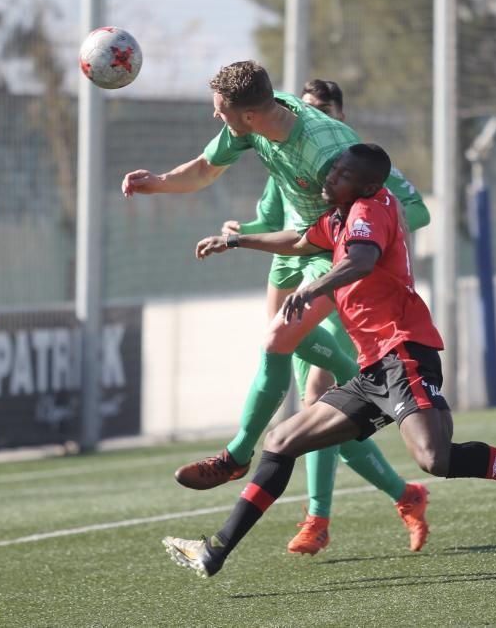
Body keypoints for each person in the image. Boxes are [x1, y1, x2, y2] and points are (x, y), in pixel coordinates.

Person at [162, 143, 496, 578]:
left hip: (403, 351)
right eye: (334, 170)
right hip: (373, 367)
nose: (331, 178)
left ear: (368, 185)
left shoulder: (368, 211)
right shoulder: (340, 214)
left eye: (343, 176)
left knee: (435, 460)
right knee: (281, 441)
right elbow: (299, 241)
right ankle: (214, 551)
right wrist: (237, 241)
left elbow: (361, 260)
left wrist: (313, 289)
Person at [121, 62, 430, 554]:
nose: (213, 116)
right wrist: (156, 182)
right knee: (308, 389)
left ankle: (257, 468)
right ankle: (393, 471)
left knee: (299, 373)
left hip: (337, 259)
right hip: (296, 255)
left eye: (220, 110)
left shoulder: (331, 155)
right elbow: (207, 171)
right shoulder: (258, 125)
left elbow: (379, 225)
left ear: (245, 113)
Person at [216, 78, 431, 555]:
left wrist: (368, 232)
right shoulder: (287, 162)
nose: (317, 121)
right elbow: (275, 226)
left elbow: (414, 212)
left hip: (341, 285)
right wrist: (239, 232)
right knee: (321, 418)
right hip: (295, 280)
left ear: (340, 118)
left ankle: (317, 516)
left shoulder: (364, 171)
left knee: (318, 396)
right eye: (310, 110)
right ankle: (405, 494)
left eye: (325, 112)